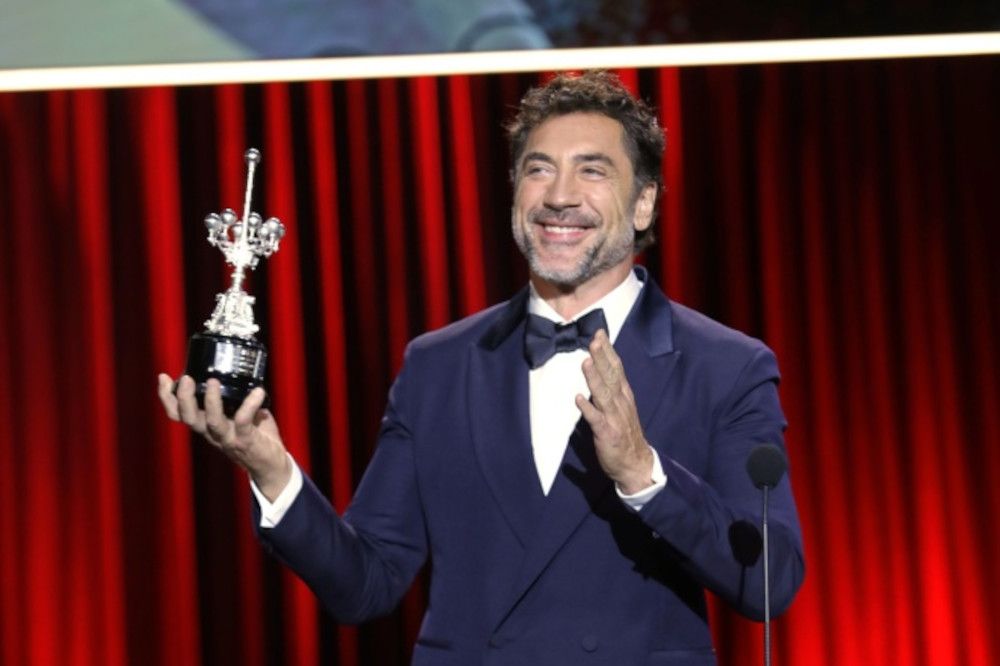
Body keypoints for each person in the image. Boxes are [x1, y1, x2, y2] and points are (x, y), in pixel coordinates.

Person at [159, 71, 804, 665]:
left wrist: (644, 475)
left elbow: (770, 581)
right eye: (538, 169)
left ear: (643, 205)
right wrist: (273, 471)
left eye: (593, 171)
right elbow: (367, 583)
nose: (558, 196)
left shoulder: (726, 366)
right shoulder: (438, 365)